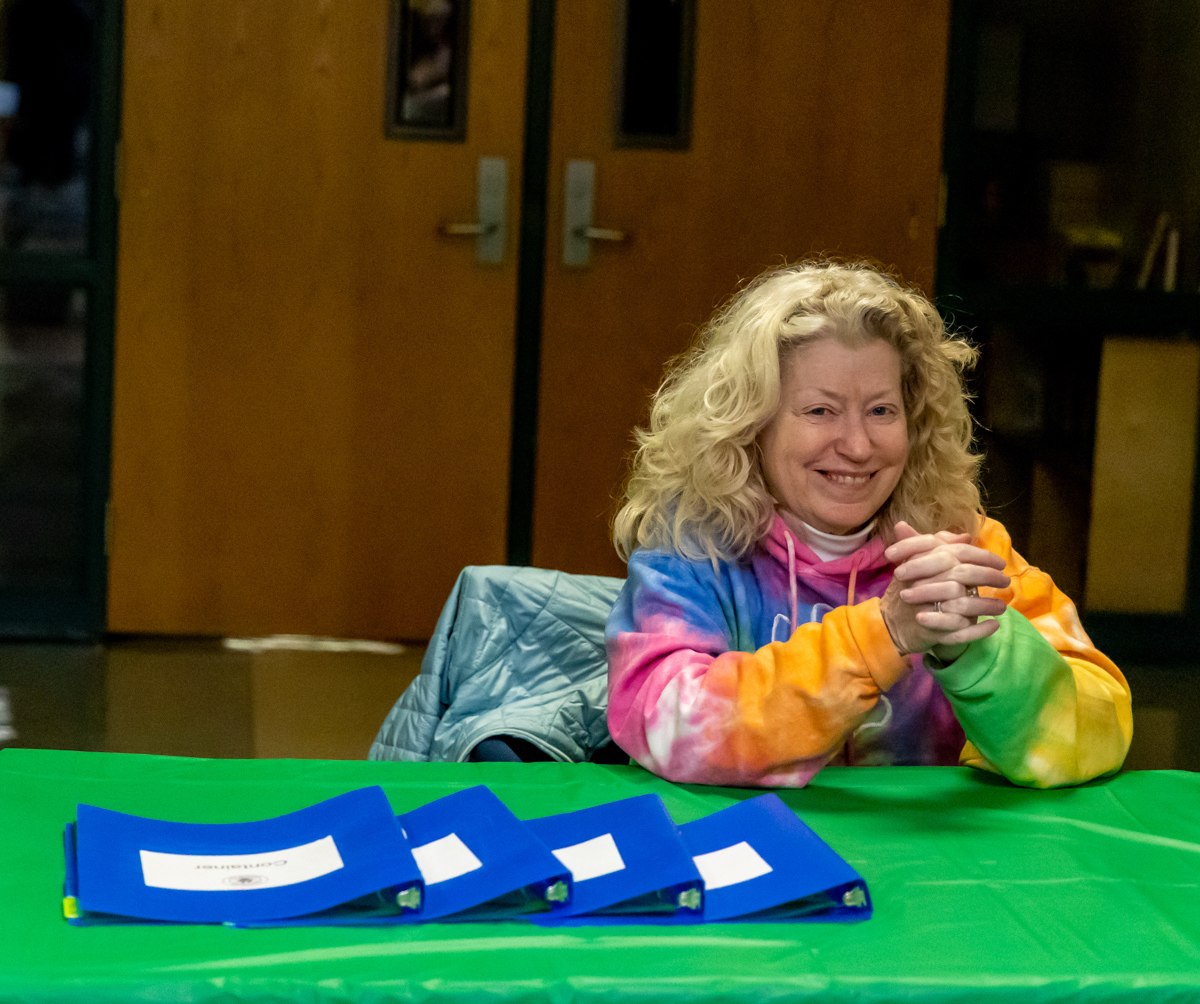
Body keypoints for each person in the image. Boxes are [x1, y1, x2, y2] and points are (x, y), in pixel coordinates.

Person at [606, 261, 1132, 788]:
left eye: (881, 411)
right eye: (820, 411)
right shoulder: (694, 550)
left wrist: (974, 649)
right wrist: (883, 634)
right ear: (751, 423)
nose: (858, 447)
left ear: (915, 422)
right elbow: (663, 724)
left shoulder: (965, 548)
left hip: (925, 842)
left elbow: (1098, 731)